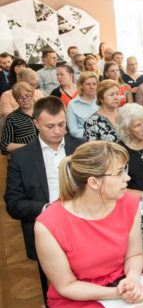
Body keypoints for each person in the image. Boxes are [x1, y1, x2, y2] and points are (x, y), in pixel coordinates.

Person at [35, 141, 143, 308]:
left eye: (126, 170)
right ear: (94, 183)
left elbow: (135, 255)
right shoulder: (48, 225)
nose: (128, 178)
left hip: (120, 282)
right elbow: (66, 286)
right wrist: (117, 294)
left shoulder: (128, 204)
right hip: (78, 300)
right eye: (120, 172)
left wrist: (131, 279)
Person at [4, 96, 84, 260]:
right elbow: (14, 204)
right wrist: (48, 209)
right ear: (36, 124)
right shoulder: (21, 157)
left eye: (61, 124)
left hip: (84, 219)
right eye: (50, 126)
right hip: (48, 225)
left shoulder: (81, 147)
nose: (57, 131)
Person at [0, 82, 38, 154]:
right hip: (26, 155)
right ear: (16, 99)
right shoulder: (12, 118)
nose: (25, 100)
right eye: (20, 98)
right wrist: (28, 146)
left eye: (27, 96)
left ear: (32, 95)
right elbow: (4, 145)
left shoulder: (44, 110)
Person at [67, 71, 99, 138]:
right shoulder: (72, 104)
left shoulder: (102, 101)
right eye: (88, 84)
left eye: (94, 84)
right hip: (83, 141)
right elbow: (73, 130)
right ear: (81, 86)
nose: (92, 87)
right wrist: (94, 135)